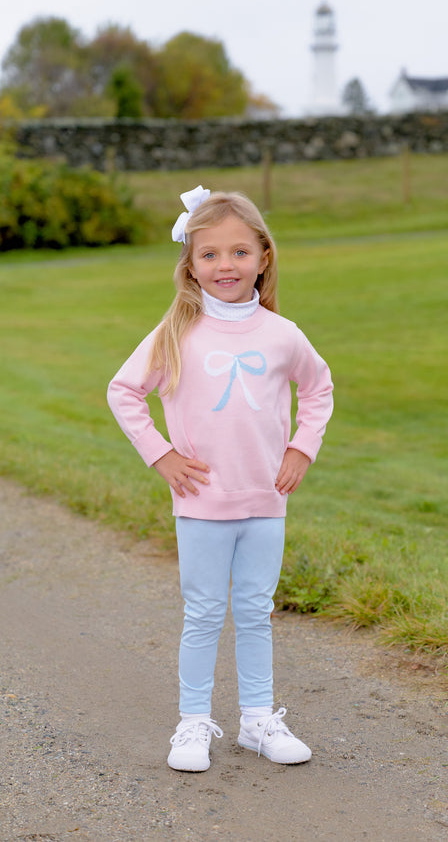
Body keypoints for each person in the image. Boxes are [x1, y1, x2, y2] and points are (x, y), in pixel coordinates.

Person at [107, 184, 333, 772]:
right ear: (190, 264)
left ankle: (258, 720)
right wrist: (161, 455)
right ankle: (192, 723)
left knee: (256, 609)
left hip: (265, 497)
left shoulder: (283, 335)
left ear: (263, 256)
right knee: (205, 611)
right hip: (202, 500)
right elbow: (124, 391)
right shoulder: (175, 333)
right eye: (209, 255)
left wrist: (301, 448)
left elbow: (319, 388)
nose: (225, 265)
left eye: (238, 252)